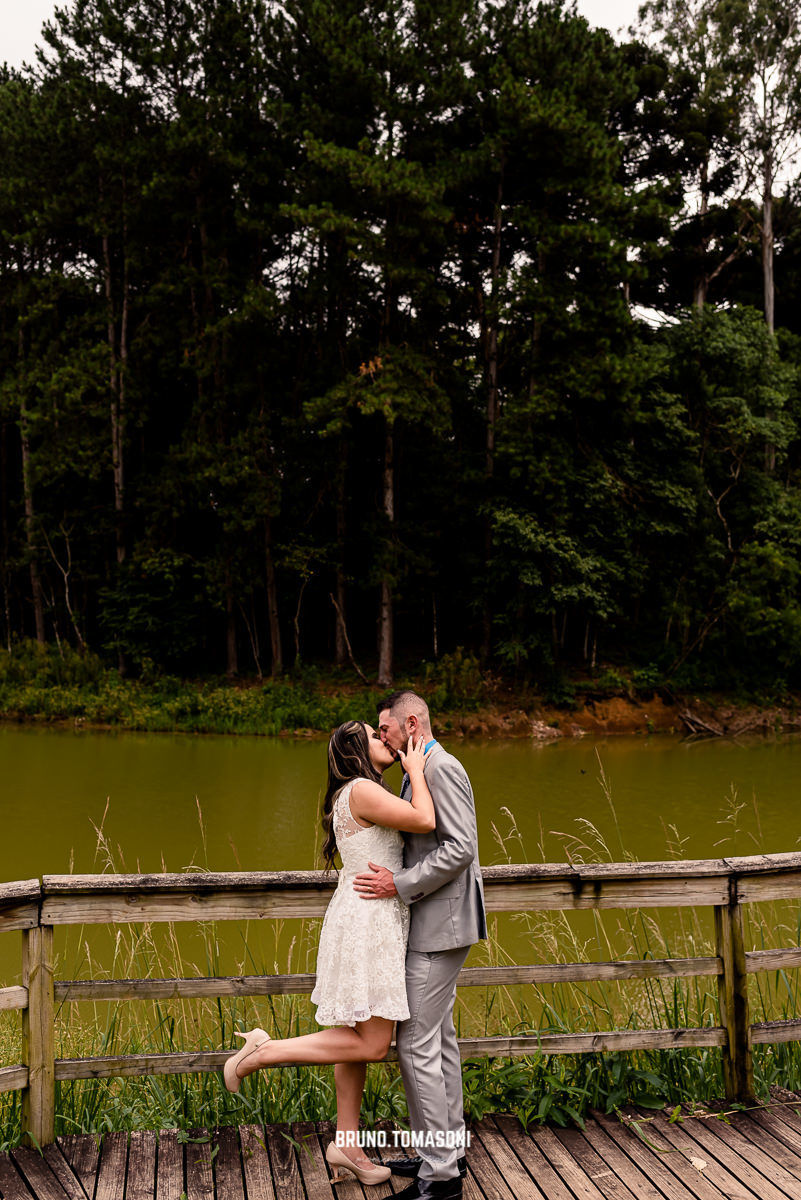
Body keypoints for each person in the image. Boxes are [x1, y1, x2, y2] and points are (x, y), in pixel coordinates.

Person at [223, 719, 435, 1187]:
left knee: (353, 1036)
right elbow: (424, 819)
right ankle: (262, 1052)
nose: (386, 739)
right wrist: (417, 769)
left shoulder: (351, 792)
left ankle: (347, 1145)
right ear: (357, 750)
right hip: (370, 923)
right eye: (375, 736)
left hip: (359, 917)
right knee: (375, 1043)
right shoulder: (360, 789)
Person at [354, 691, 487, 1200]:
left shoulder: (441, 768)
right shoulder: (416, 768)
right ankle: (446, 1150)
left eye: (385, 730)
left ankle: (441, 1177)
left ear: (411, 723)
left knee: (414, 1043)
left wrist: (400, 884)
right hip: (438, 923)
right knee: (441, 1040)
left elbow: (461, 847)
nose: (382, 738)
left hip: (441, 925)